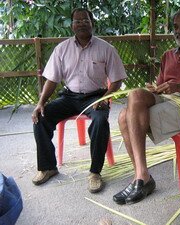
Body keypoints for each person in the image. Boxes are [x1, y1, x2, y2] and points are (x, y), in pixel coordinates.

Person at [113, 9, 180, 205]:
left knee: (125, 118)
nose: (179, 31)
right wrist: (155, 89)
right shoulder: (167, 56)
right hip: (167, 99)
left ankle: (141, 179)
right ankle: (142, 175)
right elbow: (161, 89)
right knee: (134, 97)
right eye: (176, 27)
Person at [31, 8, 127, 193]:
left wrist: (106, 97)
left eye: (86, 20)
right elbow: (52, 79)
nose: (81, 23)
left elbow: (117, 79)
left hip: (96, 97)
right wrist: (40, 103)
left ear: (93, 23)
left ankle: (95, 173)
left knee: (100, 121)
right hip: (69, 96)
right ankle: (48, 167)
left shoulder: (106, 49)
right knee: (41, 118)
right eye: (77, 20)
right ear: (72, 25)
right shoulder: (62, 49)